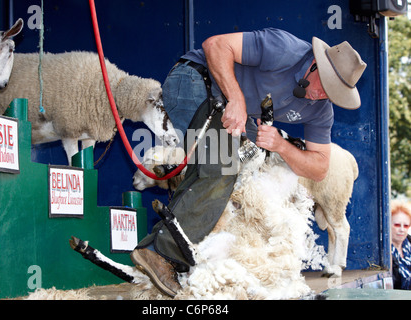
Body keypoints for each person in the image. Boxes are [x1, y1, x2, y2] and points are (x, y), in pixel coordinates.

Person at [130, 28, 367, 297]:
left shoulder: (321, 109)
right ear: (315, 65)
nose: (322, 96)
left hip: (229, 111)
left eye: (332, 94)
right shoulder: (284, 49)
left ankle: (172, 254)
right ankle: (161, 253)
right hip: (197, 80)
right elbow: (215, 45)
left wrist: (281, 146)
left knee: (234, 175)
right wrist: (236, 98)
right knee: (221, 168)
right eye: (324, 86)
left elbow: (320, 167)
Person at [391, 200, 411, 289]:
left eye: (406, 226)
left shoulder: (409, 244)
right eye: (397, 225)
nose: (402, 229)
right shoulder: (383, 253)